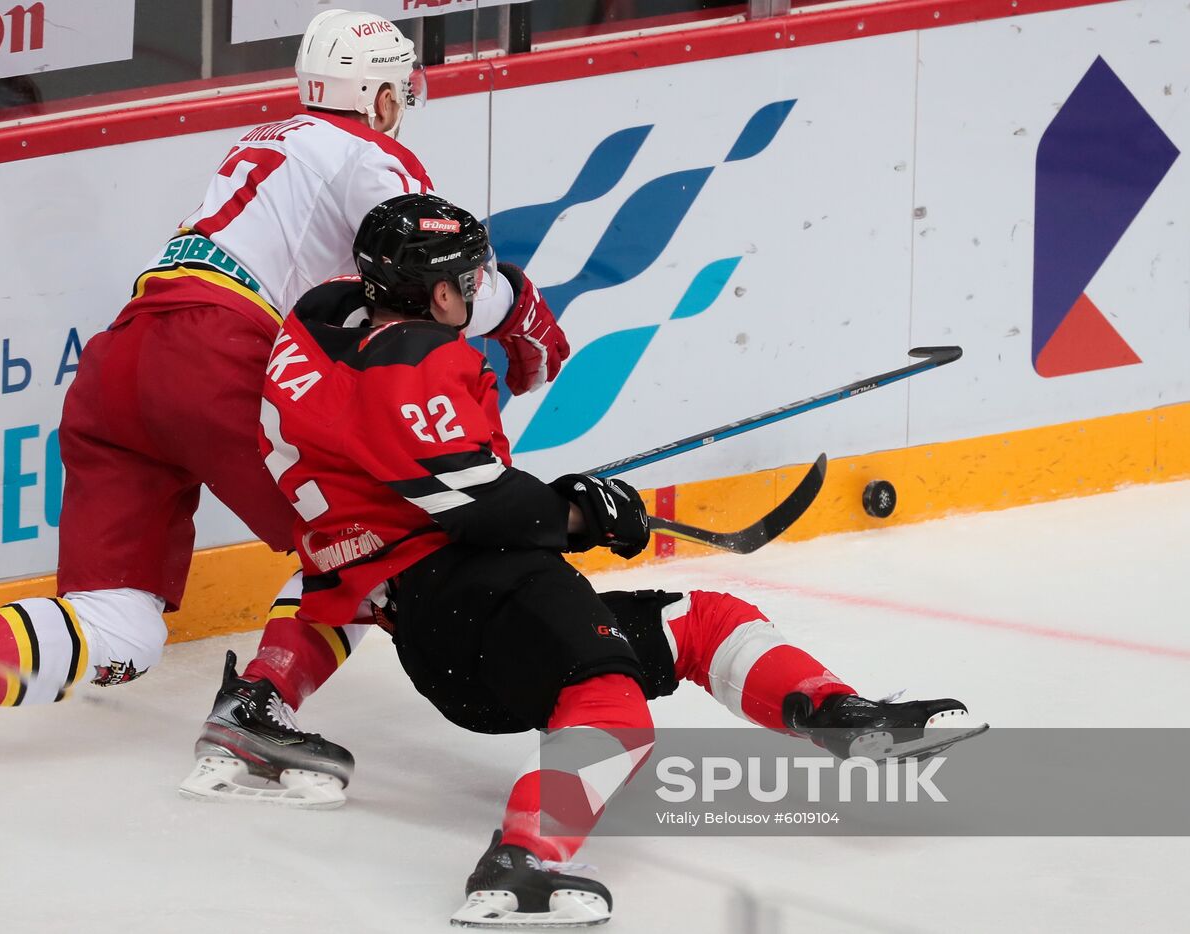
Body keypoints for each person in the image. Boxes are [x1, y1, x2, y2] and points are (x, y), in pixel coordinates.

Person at [0, 10, 570, 787]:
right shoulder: (370, 157)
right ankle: (258, 709)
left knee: (122, 626)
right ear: (379, 96)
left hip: (120, 364)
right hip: (217, 352)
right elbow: (432, 278)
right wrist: (524, 315)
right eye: (397, 90)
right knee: (375, 535)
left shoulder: (261, 142)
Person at [252, 192, 984, 926]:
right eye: (468, 282)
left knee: (699, 623)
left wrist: (559, 501)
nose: (476, 294)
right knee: (613, 708)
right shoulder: (416, 360)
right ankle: (529, 857)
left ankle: (837, 714)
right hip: (478, 589)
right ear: (438, 292)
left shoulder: (318, 327)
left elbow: (426, 481)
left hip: (429, 614)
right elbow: (483, 505)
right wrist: (584, 514)